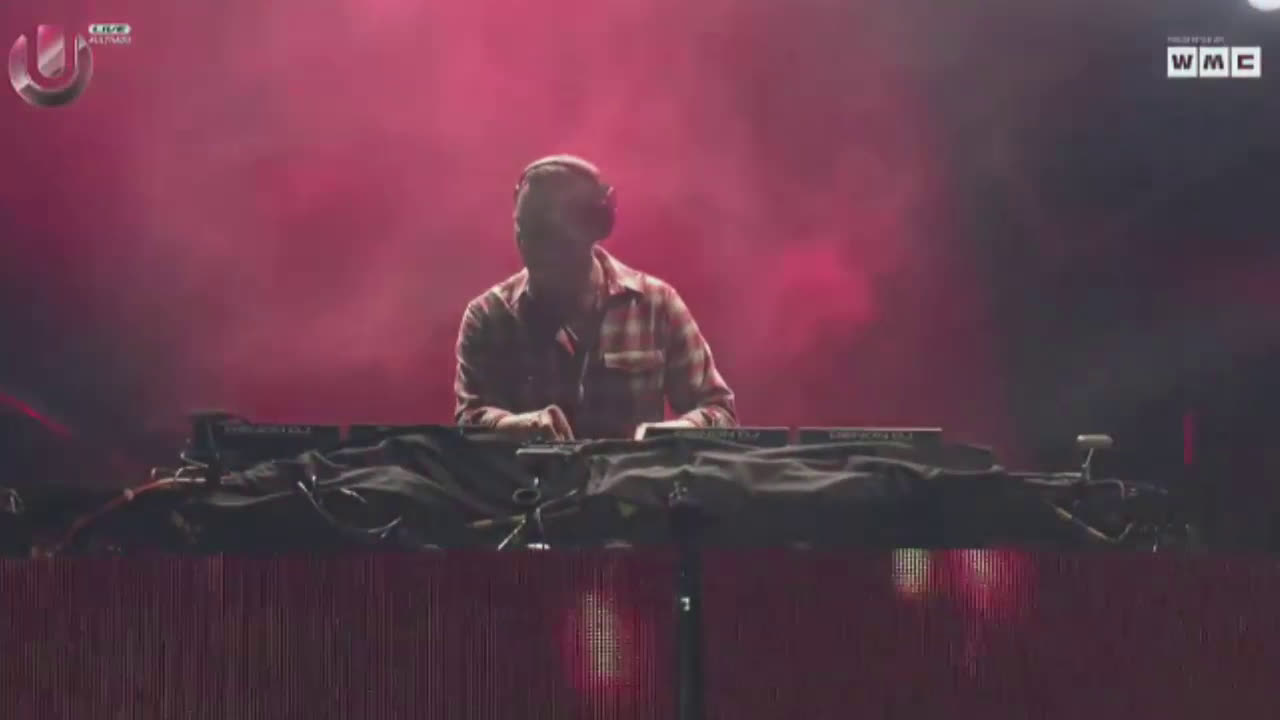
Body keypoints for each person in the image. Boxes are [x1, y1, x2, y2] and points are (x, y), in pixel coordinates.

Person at [453, 154, 737, 441]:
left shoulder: (657, 306)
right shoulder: (487, 316)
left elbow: (719, 411)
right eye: (523, 229)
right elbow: (468, 419)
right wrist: (512, 426)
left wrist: (673, 434)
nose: (531, 248)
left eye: (550, 233)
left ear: (596, 228)